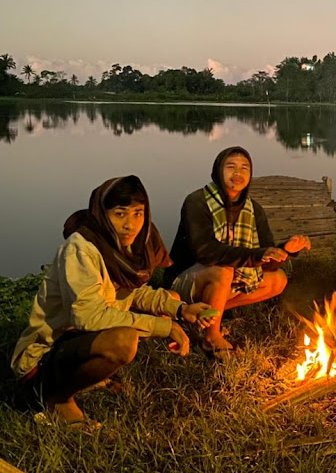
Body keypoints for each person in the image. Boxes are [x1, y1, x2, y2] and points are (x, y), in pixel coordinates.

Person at [11, 176, 216, 429]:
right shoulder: (81, 248)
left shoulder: (124, 246)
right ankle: (57, 400)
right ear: (101, 213)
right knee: (124, 340)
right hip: (43, 358)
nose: (130, 225)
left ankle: (88, 378)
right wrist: (164, 327)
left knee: (168, 300)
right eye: (120, 214)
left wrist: (181, 309)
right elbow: (87, 317)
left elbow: (135, 293)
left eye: (138, 214)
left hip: (77, 341)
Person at [164, 146, 311, 357]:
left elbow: (264, 259)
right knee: (223, 270)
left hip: (228, 280)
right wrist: (254, 256)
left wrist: (284, 250)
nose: (238, 173)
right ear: (218, 170)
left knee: (278, 279)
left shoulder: (254, 209)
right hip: (186, 279)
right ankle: (210, 339)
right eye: (230, 167)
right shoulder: (197, 201)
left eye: (244, 168)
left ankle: (204, 315)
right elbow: (205, 252)